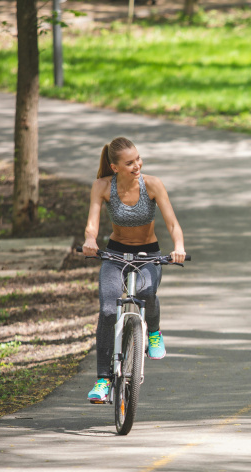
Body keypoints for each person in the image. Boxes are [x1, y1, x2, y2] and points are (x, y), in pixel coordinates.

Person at [82, 137, 186, 404]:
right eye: (129, 162)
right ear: (115, 167)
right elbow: (92, 223)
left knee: (147, 291)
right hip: (115, 254)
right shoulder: (103, 187)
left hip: (148, 254)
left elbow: (172, 223)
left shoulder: (152, 184)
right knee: (107, 311)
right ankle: (103, 380)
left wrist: (179, 246)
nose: (137, 165)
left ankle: (153, 332)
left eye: (138, 159)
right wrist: (90, 240)